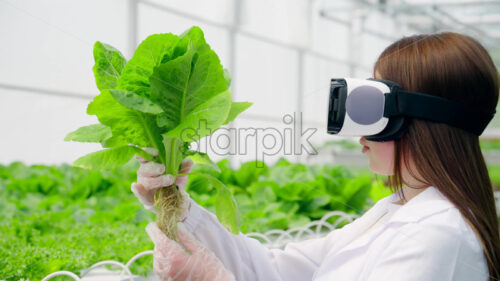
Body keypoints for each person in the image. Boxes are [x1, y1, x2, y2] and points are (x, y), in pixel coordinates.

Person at [131, 32, 500, 280]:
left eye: (370, 108)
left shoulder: (438, 237)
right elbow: (280, 270)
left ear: (420, 119)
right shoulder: (398, 209)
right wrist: (183, 212)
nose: (358, 134)